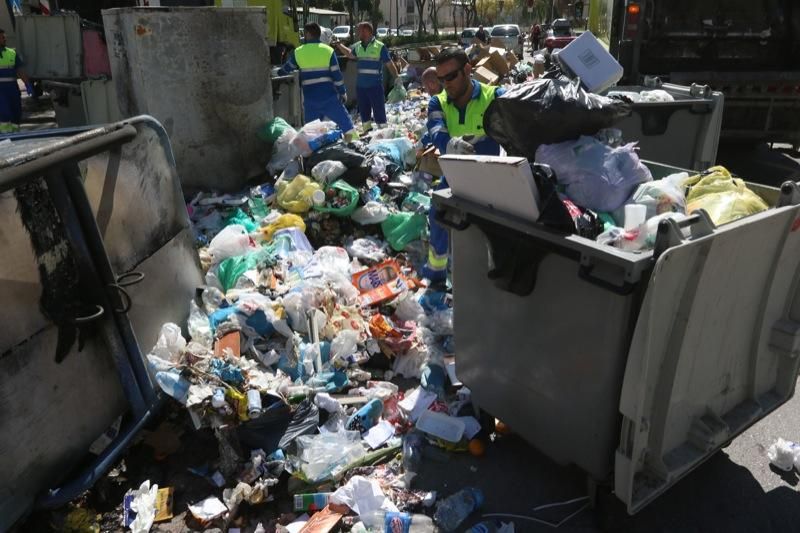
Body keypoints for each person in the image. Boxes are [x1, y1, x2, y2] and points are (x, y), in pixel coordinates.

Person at [422, 47, 505, 283]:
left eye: (450, 77)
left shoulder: (495, 97)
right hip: (455, 175)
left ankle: (492, 276)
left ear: (467, 70)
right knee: (438, 210)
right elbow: (436, 131)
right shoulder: (437, 103)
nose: (445, 84)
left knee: (494, 228)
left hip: (491, 175)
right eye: (441, 79)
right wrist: (449, 145)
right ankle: (436, 272)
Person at [278, 22, 356, 140]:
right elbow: (337, 75)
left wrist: (277, 72)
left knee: (312, 133)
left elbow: (286, 69)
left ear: (308, 34)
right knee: (347, 125)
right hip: (330, 98)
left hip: (310, 101)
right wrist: (342, 92)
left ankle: (314, 156)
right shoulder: (328, 51)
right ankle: (355, 145)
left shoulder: (298, 51)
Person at [335, 22, 398, 129]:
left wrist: (397, 78)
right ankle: (367, 132)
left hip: (375, 86)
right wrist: (339, 45)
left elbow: (389, 64)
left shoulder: (379, 46)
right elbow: (350, 54)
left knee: (379, 113)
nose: (358, 34)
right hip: (361, 87)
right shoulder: (358, 46)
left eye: (360, 31)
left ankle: (383, 134)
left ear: (367, 31)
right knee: (364, 114)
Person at [0, 29, 28, 133]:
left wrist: (28, 85)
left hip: (13, 89)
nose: (5, 39)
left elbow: (20, 70)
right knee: (4, 114)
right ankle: (5, 138)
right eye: (2, 37)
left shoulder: (12, 53)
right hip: (0, 91)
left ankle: (16, 135)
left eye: (4, 37)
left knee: (16, 113)